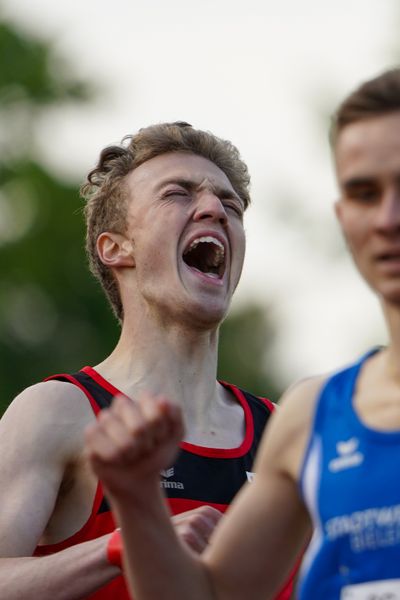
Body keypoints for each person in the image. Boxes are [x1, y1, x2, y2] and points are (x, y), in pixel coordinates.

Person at [86, 67, 400, 600]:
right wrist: (138, 501)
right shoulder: (312, 417)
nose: (389, 217)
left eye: (231, 205)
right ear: (343, 215)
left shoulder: (273, 420)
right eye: (365, 193)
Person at [0, 122, 294, 599]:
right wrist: (127, 543)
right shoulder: (58, 411)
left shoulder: (285, 433)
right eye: (177, 194)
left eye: (231, 205)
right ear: (116, 247)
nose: (215, 210)